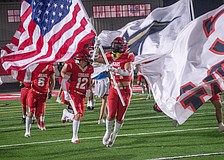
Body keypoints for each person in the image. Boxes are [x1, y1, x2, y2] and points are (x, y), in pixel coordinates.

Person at [94, 37, 135, 147]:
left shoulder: (128, 56)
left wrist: (115, 70)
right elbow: (94, 59)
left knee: (120, 117)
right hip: (114, 89)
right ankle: (107, 132)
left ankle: (114, 135)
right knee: (111, 114)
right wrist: (96, 47)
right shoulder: (110, 56)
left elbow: (127, 72)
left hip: (125, 91)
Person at [60, 48, 94, 143]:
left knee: (79, 116)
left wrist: (88, 90)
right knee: (78, 115)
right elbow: (64, 81)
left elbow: (89, 80)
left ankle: (66, 113)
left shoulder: (90, 68)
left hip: (82, 94)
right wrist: (66, 92)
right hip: (74, 93)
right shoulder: (73, 66)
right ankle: (74, 137)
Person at [24, 64, 55, 137]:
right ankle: (27, 131)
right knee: (30, 112)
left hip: (43, 94)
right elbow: (27, 77)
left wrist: (50, 91)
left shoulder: (50, 68)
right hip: (33, 92)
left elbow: (52, 81)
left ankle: (40, 122)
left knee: (38, 114)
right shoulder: (34, 66)